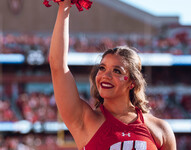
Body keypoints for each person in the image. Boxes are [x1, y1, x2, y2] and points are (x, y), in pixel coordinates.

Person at [49, 0, 176, 149]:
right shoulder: (85, 120)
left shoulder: (161, 129)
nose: (105, 75)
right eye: (102, 68)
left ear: (132, 82)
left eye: (117, 71)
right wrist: (65, 5)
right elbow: (58, 66)